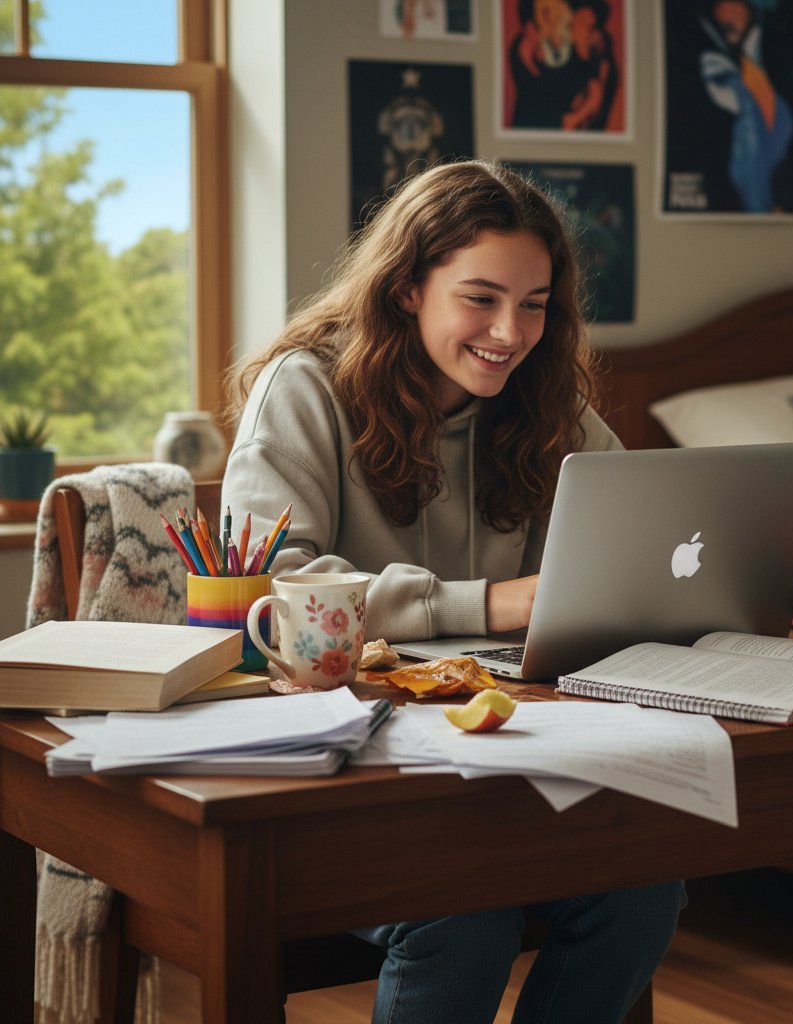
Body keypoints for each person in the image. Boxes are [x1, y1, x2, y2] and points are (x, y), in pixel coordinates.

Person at [222, 159, 684, 1024]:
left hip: (502, 762)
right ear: (406, 289)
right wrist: (494, 603)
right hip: (342, 776)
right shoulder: (306, 388)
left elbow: (634, 540)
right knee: (464, 913)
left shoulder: (544, 399)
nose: (511, 332)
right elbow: (280, 586)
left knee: (646, 890)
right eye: (481, 298)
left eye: (536, 303)